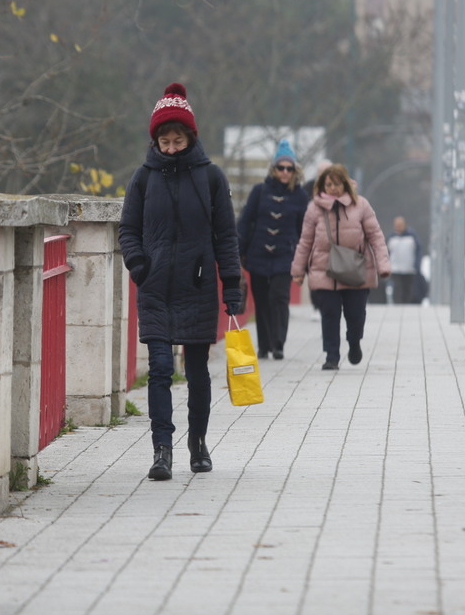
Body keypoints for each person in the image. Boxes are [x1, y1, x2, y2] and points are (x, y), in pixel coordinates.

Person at [118, 82, 244, 481]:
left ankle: (198, 443)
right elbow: (128, 229)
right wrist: (139, 265)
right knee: (158, 369)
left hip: (197, 286)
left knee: (196, 372)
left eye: (178, 139)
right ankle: (162, 450)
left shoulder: (211, 178)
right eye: (164, 140)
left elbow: (226, 236)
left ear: (191, 137)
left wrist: (232, 286)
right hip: (155, 288)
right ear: (155, 140)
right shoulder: (142, 178)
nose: (170, 147)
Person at [291, 163, 390, 370]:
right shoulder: (314, 208)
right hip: (324, 270)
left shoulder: (361, 205)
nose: (332, 188)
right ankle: (331, 355)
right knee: (329, 314)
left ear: (345, 184)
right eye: (328, 184)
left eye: (336, 184)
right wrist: (298, 271)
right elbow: (305, 241)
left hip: (356, 269)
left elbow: (376, 236)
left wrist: (383, 265)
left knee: (356, 315)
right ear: (322, 185)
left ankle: (354, 342)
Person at [238, 139, 309, 360]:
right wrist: (240, 250)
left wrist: (303, 259)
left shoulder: (300, 196)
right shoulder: (259, 191)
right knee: (261, 300)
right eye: (281, 167)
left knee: (279, 297)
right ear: (274, 169)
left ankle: (279, 343)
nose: (285, 172)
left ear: (295, 171)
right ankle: (264, 345)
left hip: (285, 255)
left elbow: (304, 230)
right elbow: (245, 220)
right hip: (258, 253)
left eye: (289, 168)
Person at [386, 216, 423, 304]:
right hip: (395, 268)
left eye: (400, 225)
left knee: (407, 288)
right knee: (397, 288)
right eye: (396, 225)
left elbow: (418, 250)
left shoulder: (412, 236)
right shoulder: (391, 237)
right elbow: (386, 252)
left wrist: (417, 264)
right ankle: (397, 304)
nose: (398, 227)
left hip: (409, 268)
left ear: (405, 225)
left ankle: (406, 304)